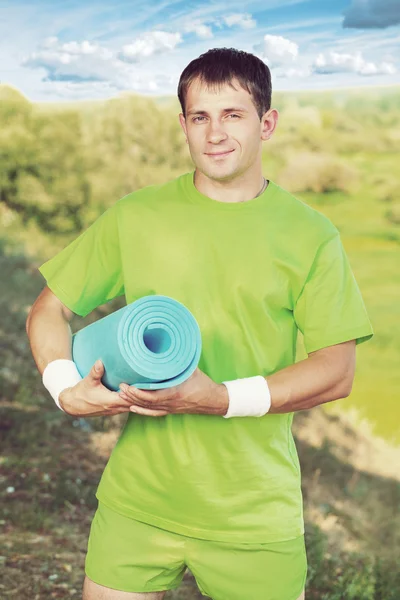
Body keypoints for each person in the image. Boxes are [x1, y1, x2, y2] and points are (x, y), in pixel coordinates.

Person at [26, 47, 374, 600]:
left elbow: (336, 370)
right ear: (184, 126)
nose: (214, 133)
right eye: (199, 116)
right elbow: (49, 308)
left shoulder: (311, 236)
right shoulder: (137, 215)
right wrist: (63, 388)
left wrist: (219, 398)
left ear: (268, 123)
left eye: (232, 114)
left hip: (254, 518)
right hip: (136, 504)